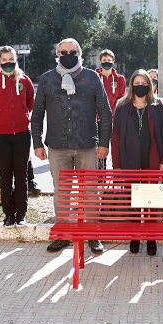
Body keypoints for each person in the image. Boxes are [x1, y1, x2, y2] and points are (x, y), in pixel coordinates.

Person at [31, 38, 112, 254]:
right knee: (62, 192)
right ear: (56, 54)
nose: (67, 54)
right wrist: (37, 143)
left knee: (91, 193)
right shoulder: (47, 79)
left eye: (72, 51)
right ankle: (63, 235)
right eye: (62, 51)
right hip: (58, 146)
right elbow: (37, 114)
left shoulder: (92, 77)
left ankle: (92, 236)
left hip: (87, 145)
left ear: (80, 53)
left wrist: (104, 143)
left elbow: (105, 113)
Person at [111, 69, 163, 256]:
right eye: (136, 83)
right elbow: (115, 139)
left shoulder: (158, 106)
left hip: (152, 161)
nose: (140, 86)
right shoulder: (122, 107)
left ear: (149, 85)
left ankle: (151, 237)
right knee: (133, 202)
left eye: (143, 83)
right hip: (130, 161)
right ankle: (134, 236)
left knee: (151, 202)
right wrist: (117, 166)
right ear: (131, 85)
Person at [0, 46, 35, 228]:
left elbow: (30, 102)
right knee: (5, 176)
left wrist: (21, 116)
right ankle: (9, 215)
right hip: (0, 135)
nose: (8, 62)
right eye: (4, 60)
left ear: (16, 59)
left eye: (11, 59)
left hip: (22, 134)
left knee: (21, 175)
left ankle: (21, 215)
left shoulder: (24, 80)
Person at [95, 49, 126, 169]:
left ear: (113, 61)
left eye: (109, 60)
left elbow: (121, 99)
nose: (106, 62)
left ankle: (116, 179)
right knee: (100, 150)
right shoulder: (95, 77)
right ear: (100, 62)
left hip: (114, 120)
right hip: (98, 120)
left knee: (116, 150)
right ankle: (101, 180)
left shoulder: (120, 79)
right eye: (104, 60)